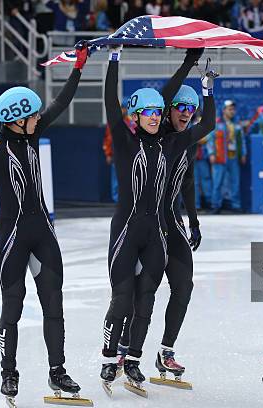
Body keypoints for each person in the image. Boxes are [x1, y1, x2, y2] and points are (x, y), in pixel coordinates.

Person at [0, 44, 89, 404]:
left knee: (54, 304)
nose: (39, 118)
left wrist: (78, 70)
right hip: (12, 235)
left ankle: (58, 371)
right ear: (18, 118)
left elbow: (60, 104)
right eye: (33, 115)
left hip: (44, 233)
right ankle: (9, 372)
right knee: (13, 306)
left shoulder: (33, 135)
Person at [100, 45, 216, 392]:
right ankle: (113, 356)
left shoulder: (176, 143)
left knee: (158, 293)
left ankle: (143, 356)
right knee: (127, 298)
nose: (182, 113)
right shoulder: (139, 136)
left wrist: (207, 88)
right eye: (174, 108)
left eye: (190, 108)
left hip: (162, 229)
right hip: (130, 226)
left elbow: (205, 130)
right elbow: (122, 102)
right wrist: (115, 58)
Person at [117, 82, 204, 384]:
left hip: (173, 221)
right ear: (167, 111)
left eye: (191, 109)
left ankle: (166, 352)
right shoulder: (158, 135)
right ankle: (124, 349)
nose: (186, 114)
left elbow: (188, 182)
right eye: (180, 107)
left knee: (184, 285)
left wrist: (194, 220)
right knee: (143, 292)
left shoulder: (188, 140)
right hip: (147, 222)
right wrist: (186, 63)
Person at [208, 100, 248, 214]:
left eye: (233, 109)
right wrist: (211, 153)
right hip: (220, 156)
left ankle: (236, 205)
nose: (232, 111)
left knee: (235, 182)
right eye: (229, 109)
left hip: (233, 156)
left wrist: (243, 154)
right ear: (224, 110)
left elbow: (242, 140)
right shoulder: (217, 123)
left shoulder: (237, 124)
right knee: (218, 182)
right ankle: (215, 205)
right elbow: (210, 140)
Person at [103, 105, 135, 202]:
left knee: (130, 178)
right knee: (116, 178)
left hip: (130, 155)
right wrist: (108, 154)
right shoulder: (113, 122)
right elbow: (108, 139)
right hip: (116, 155)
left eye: (125, 108)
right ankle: (117, 200)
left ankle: (129, 200)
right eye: (121, 108)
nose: (123, 110)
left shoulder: (131, 122)